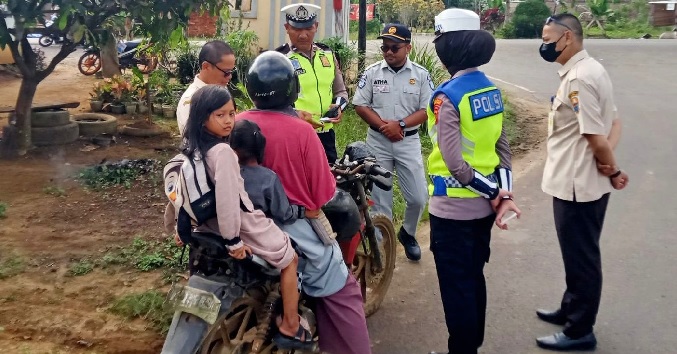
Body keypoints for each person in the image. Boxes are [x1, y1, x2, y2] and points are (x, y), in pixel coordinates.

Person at [236, 51, 372, 354]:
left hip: (238, 222)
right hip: (291, 227)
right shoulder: (302, 132)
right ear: (292, 90)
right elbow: (323, 195)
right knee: (343, 290)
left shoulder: (236, 122)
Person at [172, 85, 314, 351]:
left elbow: (181, 191)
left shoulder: (192, 148)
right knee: (290, 258)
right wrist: (233, 240)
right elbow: (228, 199)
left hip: (205, 224)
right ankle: (291, 325)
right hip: (239, 224)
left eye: (231, 114)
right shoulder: (224, 153)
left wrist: (180, 228)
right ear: (203, 117)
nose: (227, 121)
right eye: (220, 115)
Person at [426, 9, 522, 354]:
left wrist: (496, 192)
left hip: (452, 211)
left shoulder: (447, 96)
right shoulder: (489, 90)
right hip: (482, 212)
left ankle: (462, 349)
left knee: (456, 288)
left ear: (449, 48)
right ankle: (471, 345)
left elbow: (454, 164)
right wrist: (502, 192)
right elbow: (502, 146)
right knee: (474, 277)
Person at [535, 13, 629, 351]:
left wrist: (612, 168)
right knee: (576, 254)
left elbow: (596, 135)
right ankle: (570, 308)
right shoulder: (592, 70)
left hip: (577, 186)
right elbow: (613, 123)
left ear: (568, 38)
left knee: (581, 258)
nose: (543, 45)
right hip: (582, 180)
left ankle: (579, 330)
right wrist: (604, 162)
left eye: (548, 39)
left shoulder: (578, 79)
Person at [352, 23, 432, 261]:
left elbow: (427, 109)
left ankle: (408, 233)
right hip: (378, 141)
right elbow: (360, 104)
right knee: (380, 200)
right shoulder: (372, 73)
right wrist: (384, 127)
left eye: (394, 47)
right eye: (385, 47)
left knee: (418, 197)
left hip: (408, 142)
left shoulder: (420, 75)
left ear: (407, 47)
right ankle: (382, 247)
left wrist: (401, 125)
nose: (388, 52)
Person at [276, 3, 349, 164]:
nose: (303, 35)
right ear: (287, 28)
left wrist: (338, 107)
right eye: (296, 29)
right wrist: (295, 115)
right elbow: (270, 104)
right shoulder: (279, 59)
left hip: (326, 134)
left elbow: (341, 92)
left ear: (316, 26)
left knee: (329, 181)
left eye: (308, 28)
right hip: (294, 135)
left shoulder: (327, 55)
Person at [176, 40, 236, 136]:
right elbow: (193, 140)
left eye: (231, 71)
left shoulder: (221, 89)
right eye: (226, 72)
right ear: (206, 66)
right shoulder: (191, 100)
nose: (229, 77)